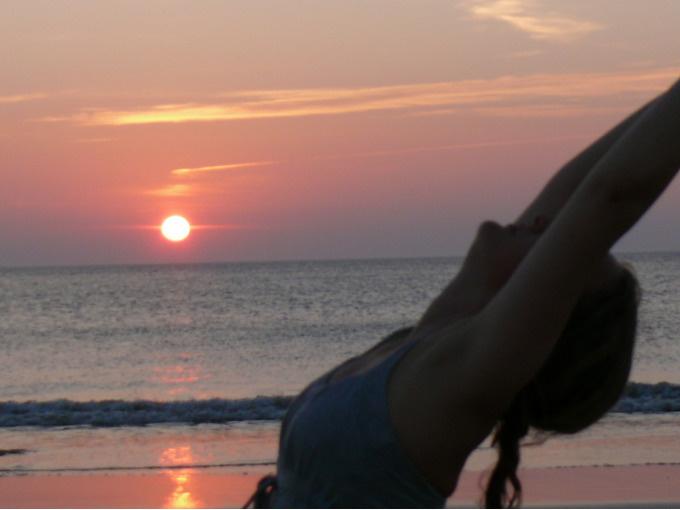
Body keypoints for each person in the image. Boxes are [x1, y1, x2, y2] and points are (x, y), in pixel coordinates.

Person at [244, 77, 680, 508]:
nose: (548, 225)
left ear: (539, 305)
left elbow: (611, 197)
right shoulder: (436, 336)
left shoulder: (454, 384)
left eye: (558, 250)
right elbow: (579, 190)